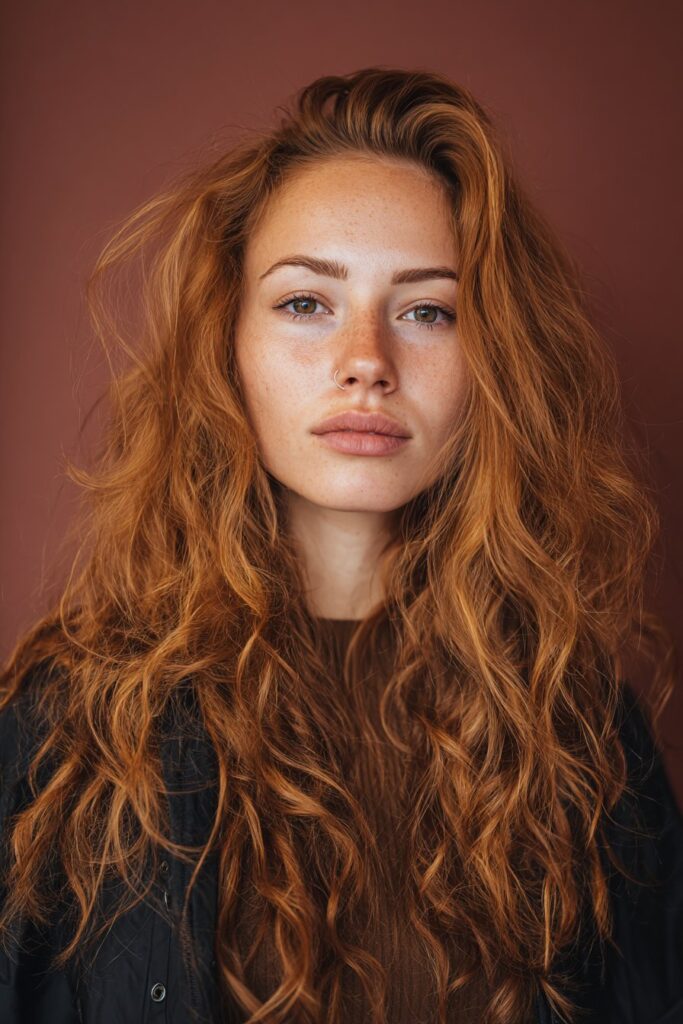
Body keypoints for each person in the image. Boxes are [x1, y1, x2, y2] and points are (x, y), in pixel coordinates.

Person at [0, 66, 681, 1024]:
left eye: (427, 311)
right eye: (305, 303)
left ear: (495, 362)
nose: (366, 359)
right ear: (225, 341)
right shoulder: (72, 726)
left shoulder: (581, 733)